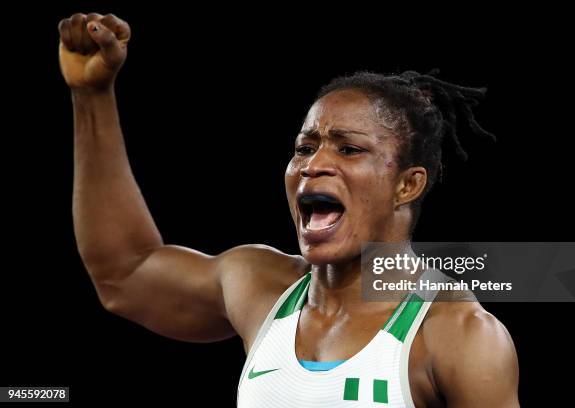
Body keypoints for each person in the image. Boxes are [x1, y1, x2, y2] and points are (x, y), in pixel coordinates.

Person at [59, 12, 519, 407]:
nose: (314, 164)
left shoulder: (458, 335)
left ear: (406, 185)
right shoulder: (258, 288)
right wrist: (92, 97)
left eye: (348, 150)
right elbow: (124, 273)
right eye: (305, 147)